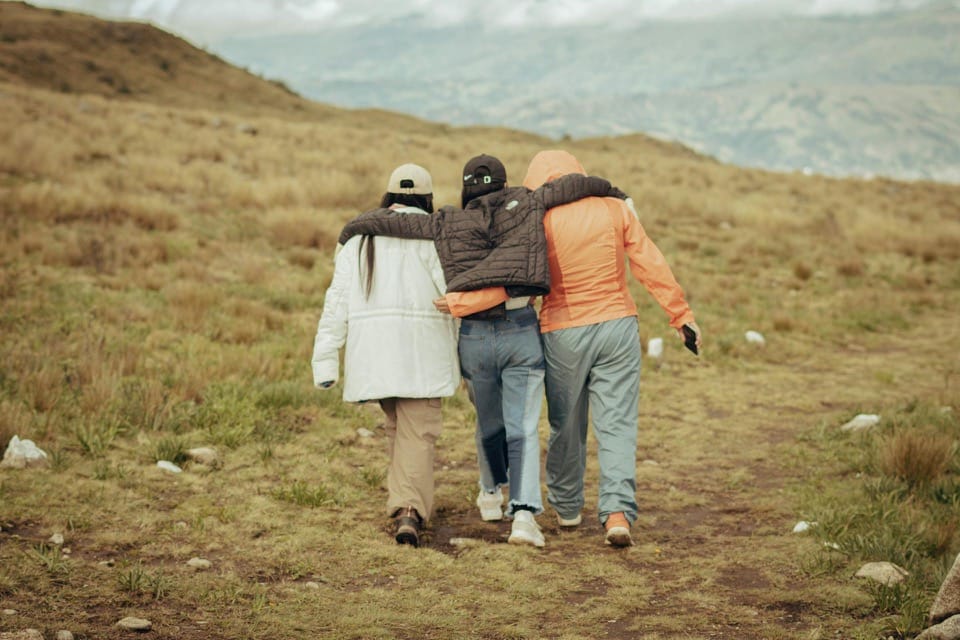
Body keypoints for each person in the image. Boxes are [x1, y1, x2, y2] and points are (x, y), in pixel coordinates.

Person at [441, 149, 702, 548]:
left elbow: (516, 279)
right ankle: (617, 513)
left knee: (567, 425)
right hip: (618, 325)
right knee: (617, 424)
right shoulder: (615, 208)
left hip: (563, 332)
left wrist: (461, 304)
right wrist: (679, 314)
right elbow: (649, 261)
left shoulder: (535, 218)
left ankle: (566, 507)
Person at [311, 163, 460, 548]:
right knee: (418, 432)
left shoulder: (358, 239)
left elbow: (336, 301)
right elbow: (454, 296)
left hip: (373, 354)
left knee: (398, 427)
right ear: (427, 198)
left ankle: (401, 502)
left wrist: (325, 358)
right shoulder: (435, 237)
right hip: (421, 353)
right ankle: (409, 512)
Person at [454, 154, 546, 547]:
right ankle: (523, 516)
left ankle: (491, 489)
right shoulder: (525, 216)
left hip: (473, 334)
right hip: (519, 328)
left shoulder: (453, 227)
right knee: (523, 425)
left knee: (488, 421)